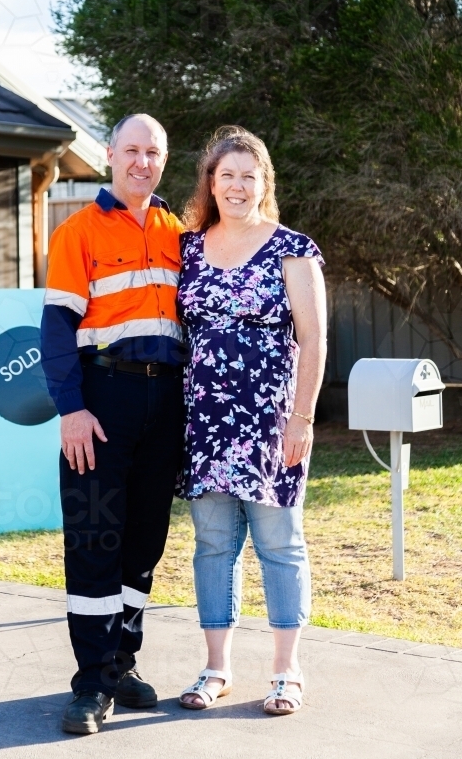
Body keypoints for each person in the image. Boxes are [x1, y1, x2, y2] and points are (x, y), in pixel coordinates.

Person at [41, 113, 185, 735]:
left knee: (144, 543)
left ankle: (122, 663)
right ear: (109, 154)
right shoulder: (78, 231)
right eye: (132, 149)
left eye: (153, 152)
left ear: (163, 161)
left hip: (166, 403)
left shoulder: (180, 231)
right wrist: (71, 409)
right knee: (96, 539)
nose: (142, 161)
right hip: (102, 399)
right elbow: (55, 328)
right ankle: (90, 683)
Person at [176, 126, 326, 716]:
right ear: (210, 183)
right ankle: (217, 668)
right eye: (226, 175)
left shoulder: (292, 248)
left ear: (264, 183)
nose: (237, 186)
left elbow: (313, 339)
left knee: (279, 543)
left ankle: (287, 671)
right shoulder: (186, 248)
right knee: (213, 545)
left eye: (249, 175)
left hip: (272, 422)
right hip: (205, 422)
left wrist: (303, 417)